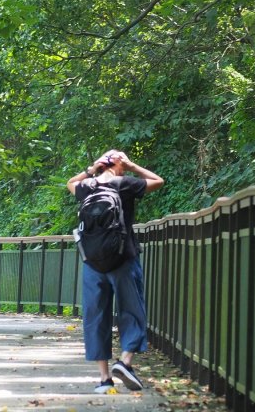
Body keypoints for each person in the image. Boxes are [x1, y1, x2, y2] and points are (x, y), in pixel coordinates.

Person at [66, 150, 164, 394]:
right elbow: (158, 181)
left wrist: (91, 169)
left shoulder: (87, 185)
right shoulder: (125, 183)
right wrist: (132, 167)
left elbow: (70, 183)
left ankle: (104, 379)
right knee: (132, 310)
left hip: (92, 262)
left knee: (96, 316)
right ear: (119, 163)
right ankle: (126, 362)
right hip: (123, 258)